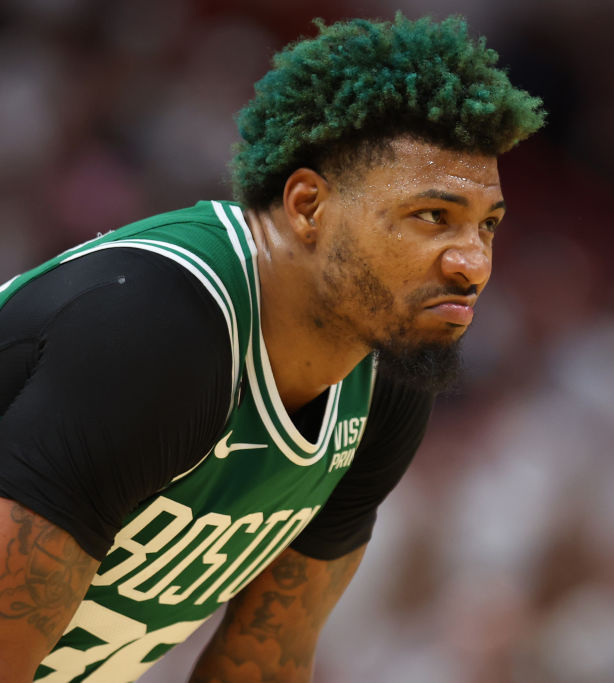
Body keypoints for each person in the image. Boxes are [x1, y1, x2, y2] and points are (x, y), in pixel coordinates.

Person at [0, 14, 544, 682]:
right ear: (309, 205)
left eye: (486, 225)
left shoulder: (383, 369)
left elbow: (264, 658)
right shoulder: (158, 332)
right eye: (432, 216)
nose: (472, 263)